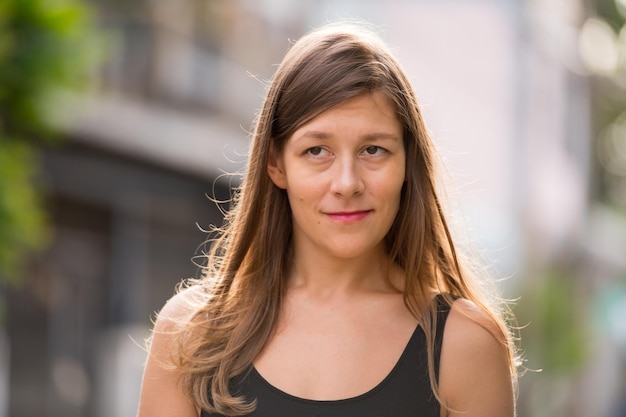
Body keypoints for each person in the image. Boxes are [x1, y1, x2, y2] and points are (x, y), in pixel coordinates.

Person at [137, 21, 520, 417]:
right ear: (276, 164)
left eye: (374, 149)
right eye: (317, 151)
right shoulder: (190, 332)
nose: (347, 183)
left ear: (408, 163)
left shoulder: (465, 344)